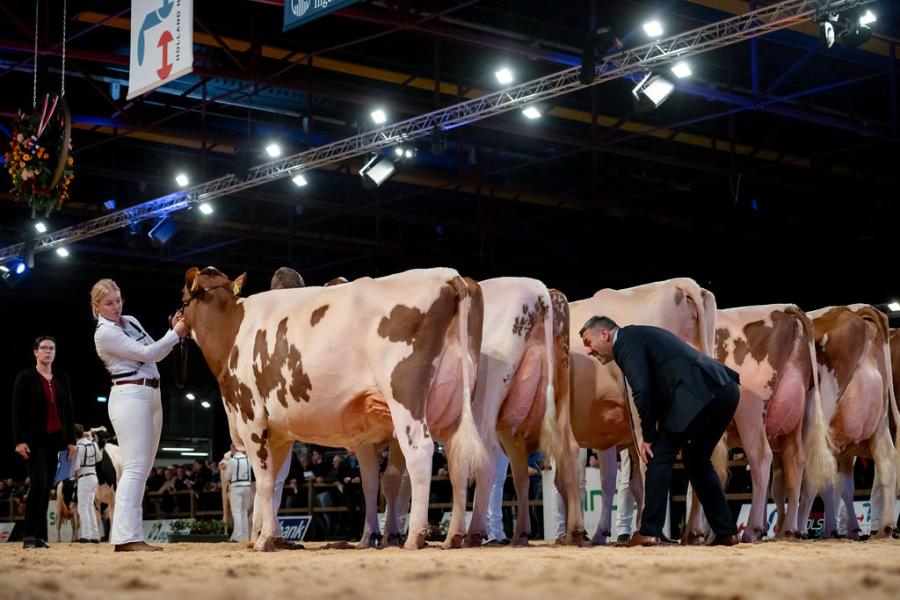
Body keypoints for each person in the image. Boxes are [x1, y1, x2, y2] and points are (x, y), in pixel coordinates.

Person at [580, 316, 741, 547]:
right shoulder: (636, 338)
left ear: (604, 334)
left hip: (703, 392)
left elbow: (642, 390)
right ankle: (727, 532)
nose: (588, 351)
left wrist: (648, 436)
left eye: (588, 342)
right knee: (697, 459)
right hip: (724, 390)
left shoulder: (625, 342)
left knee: (658, 454)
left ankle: (648, 531)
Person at [91, 278, 187, 551]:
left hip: (151, 395)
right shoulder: (104, 333)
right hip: (129, 396)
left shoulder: (130, 320)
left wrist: (172, 333)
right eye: (109, 303)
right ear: (97, 305)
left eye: (118, 300)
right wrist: (177, 332)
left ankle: (129, 535)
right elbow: (149, 353)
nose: (116, 307)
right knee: (134, 469)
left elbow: (157, 351)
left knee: (142, 472)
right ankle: (125, 538)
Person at [250, 266, 305, 548]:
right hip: (270, 403)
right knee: (270, 472)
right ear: (281, 292)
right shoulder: (268, 319)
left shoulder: (258, 317)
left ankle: (264, 528)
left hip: (273, 402)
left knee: (274, 474)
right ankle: (262, 530)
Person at [12, 335, 77, 549]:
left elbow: (68, 411)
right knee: (38, 484)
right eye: (44, 348)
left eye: (52, 348)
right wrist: (19, 441)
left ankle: (38, 536)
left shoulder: (62, 377)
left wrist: (71, 441)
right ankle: (29, 535)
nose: (48, 351)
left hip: (56, 441)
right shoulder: (25, 377)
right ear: (35, 352)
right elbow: (17, 411)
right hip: (33, 441)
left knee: (47, 487)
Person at [74, 424, 103, 543]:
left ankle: (86, 535)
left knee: (82, 507)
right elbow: (99, 458)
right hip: (93, 476)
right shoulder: (93, 444)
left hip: (84, 477)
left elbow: (76, 466)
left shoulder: (78, 447)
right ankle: (95, 535)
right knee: (90, 506)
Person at [228, 444, 253, 542]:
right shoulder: (248, 459)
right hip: (247, 486)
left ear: (234, 448)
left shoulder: (232, 460)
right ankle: (245, 536)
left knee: (237, 512)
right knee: (243, 512)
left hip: (236, 487)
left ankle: (238, 536)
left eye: (231, 449)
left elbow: (227, 476)